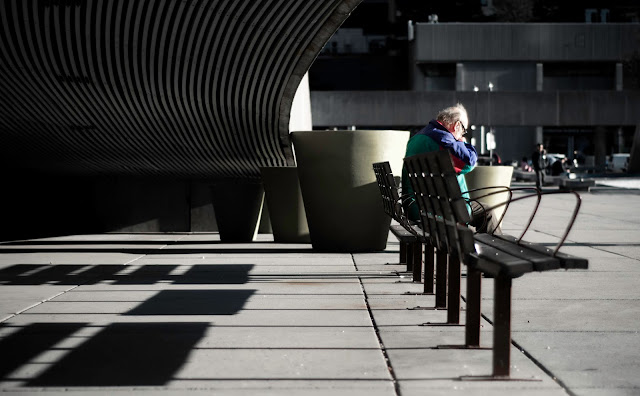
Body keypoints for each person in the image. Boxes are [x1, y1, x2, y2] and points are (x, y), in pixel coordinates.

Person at [401, 103, 502, 234]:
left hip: (415, 205)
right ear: (457, 125)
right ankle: (491, 252)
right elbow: (469, 163)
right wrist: (462, 142)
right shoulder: (443, 140)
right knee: (487, 212)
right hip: (439, 208)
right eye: (464, 130)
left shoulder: (418, 137)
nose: (462, 134)